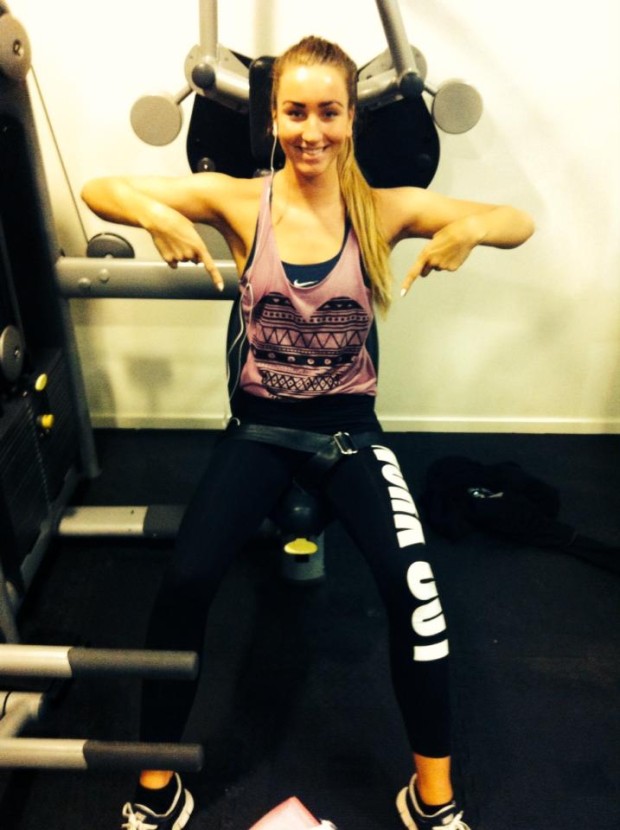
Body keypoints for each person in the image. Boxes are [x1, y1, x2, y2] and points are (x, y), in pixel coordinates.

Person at [81, 35, 534, 830]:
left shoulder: (384, 208)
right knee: (185, 583)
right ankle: (158, 787)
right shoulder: (239, 200)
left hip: (349, 433)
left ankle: (432, 801)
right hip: (260, 429)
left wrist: (470, 231)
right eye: (295, 112)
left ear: (352, 118)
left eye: (329, 112)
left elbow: (517, 220)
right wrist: (154, 215)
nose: (311, 131)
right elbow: (99, 189)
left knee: (415, 596)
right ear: (273, 119)